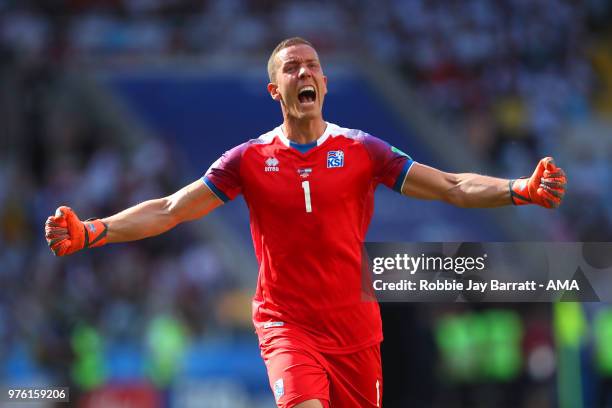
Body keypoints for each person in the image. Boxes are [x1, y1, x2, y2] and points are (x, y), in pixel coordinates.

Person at [44, 37, 567, 408]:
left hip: (356, 331)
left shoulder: (361, 150)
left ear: (325, 81)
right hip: (286, 325)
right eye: (292, 68)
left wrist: (518, 190)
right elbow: (171, 209)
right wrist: (95, 229)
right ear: (275, 90)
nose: (304, 73)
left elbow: (451, 185)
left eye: (312, 65)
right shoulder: (246, 161)